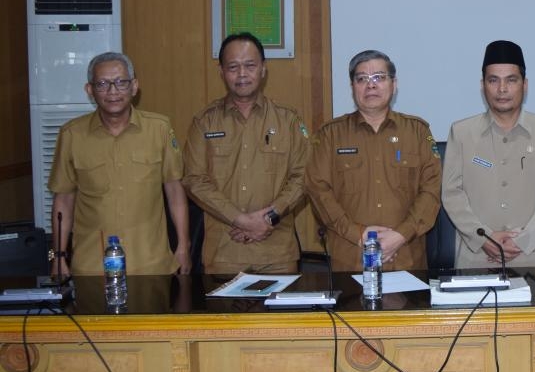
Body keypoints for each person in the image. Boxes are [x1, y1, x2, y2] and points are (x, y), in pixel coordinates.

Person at [48, 52, 191, 277]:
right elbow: (64, 200)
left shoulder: (159, 129)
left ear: (134, 87)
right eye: (102, 84)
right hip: (92, 267)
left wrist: (183, 246)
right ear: (89, 90)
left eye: (121, 82)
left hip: (151, 265)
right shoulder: (71, 135)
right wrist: (57, 256)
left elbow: (174, 191)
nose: (112, 91)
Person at [182, 32, 310, 274]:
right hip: (224, 251)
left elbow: (304, 176)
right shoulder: (204, 122)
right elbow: (194, 180)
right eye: (233, 67)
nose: (242, 74)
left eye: (250, 65)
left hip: (277, 253)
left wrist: (269, 218)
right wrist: (240, 220)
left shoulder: (288, 120)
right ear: (221, 72)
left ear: (263, 69)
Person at [305, 50, 442, 271]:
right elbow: (319, 192)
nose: (371, 85)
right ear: (352, 87)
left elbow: (431, 189)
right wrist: (358, 235)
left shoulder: (417, 132)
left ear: (394, 84)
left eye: (379, 77)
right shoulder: (330, 135)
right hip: (351, 259)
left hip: (407, 259)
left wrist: (401, 235)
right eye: (362, 79)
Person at [442, 40, 535, 269]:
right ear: (483, 85)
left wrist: (523, 240)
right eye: (493, 80)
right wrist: (484, 237)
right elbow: (451, 194)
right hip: (478, 258)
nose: (502, 89)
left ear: (524, 85)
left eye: (511, 80)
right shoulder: (461, 133)